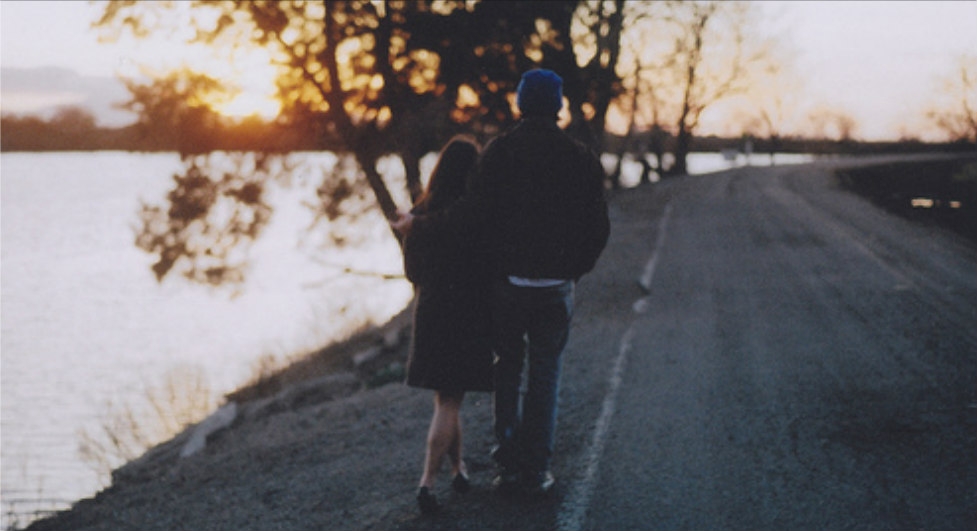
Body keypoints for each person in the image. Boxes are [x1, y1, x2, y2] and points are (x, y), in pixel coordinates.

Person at [392, 69, 610, 497]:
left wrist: (421, 225)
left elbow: (471, 216)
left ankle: (508, 466)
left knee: (508, 370)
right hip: (555, 287)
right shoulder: (580, 156)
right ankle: (537, 470)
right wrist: (574, 269)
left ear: (521, 103)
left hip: (509, 285)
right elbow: (597, 227)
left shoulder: (500, 152)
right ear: (558, 106)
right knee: (546, 376)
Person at [398, 135, 494, 515]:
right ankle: (427, 480)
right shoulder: (474, 213)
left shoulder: (419, 213)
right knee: (451, 401)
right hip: (467, 311)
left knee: (447, 399)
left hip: (433, 309)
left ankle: (458, 469)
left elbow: (412, 272)